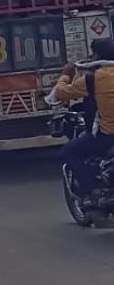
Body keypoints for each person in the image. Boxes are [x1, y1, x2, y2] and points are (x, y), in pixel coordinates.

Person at [53, 38, 114, 201]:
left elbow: (60, 93)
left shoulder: (93, 79)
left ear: (97, 55)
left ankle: (91, 190)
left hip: (107, 136)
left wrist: (66, 74)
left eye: (93, 54)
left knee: (69, 151)